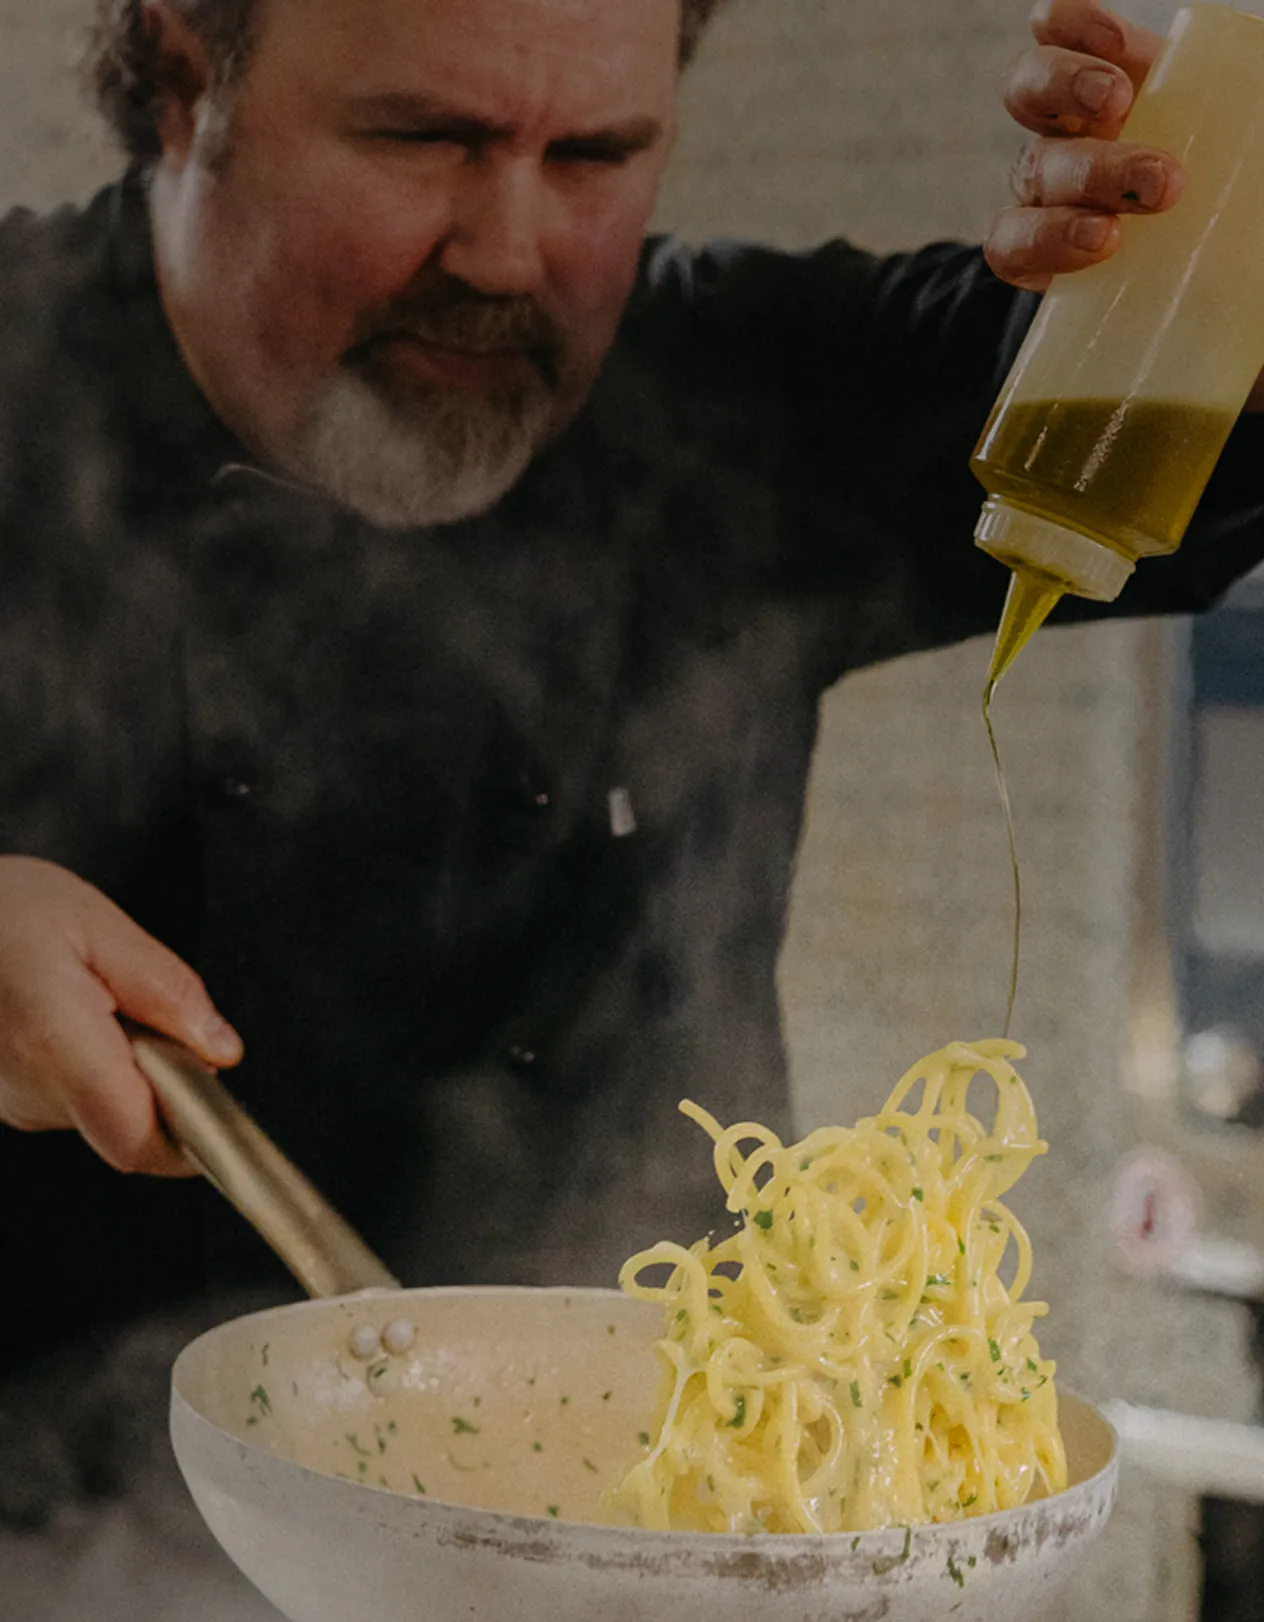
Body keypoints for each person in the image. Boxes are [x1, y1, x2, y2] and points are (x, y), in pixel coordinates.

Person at [2, 0, 1263, 1547]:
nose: (507, 253)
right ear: (187, 79)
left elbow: (1179, 417)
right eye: (423, 139)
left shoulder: (731, 394)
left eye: (596, 155)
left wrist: (1207, 272)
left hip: (676, 1539)